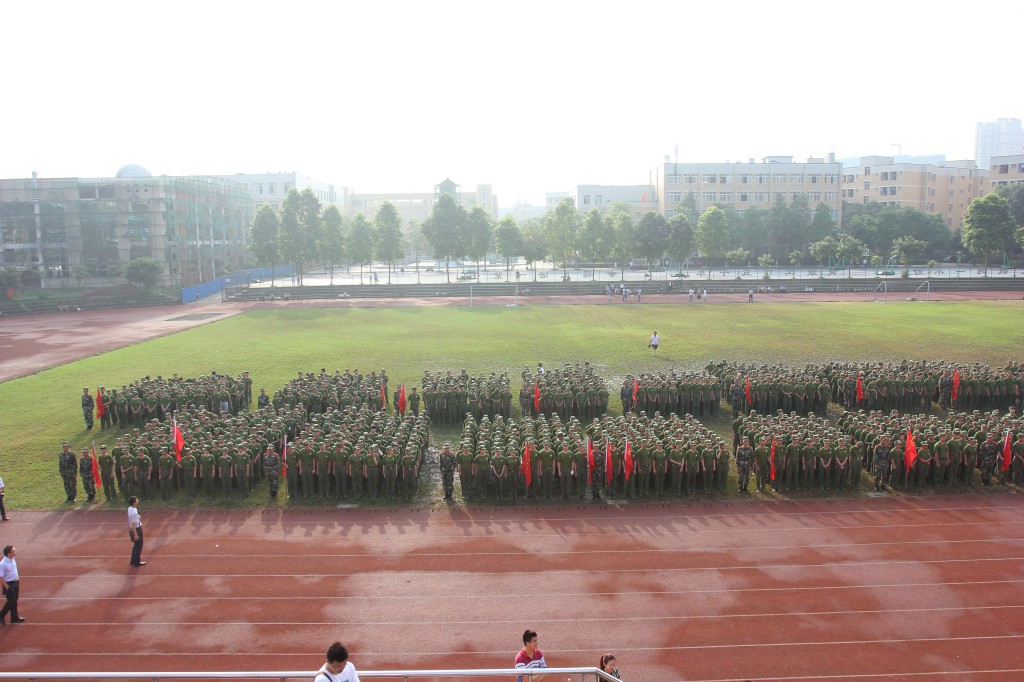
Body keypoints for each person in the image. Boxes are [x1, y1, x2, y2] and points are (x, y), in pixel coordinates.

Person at [0, 545, 24, 625]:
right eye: (13, 551)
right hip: (9, 584)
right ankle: (1, 615)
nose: (15, 552)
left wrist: (17, 579)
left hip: (15, 582)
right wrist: (7, 587)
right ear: (9, 553)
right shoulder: (3, 564)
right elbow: (1, 577)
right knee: (11, 601)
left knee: (14, 600)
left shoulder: (12, 559)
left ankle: (14, 617)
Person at [127, 496, 145, 567]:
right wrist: (135, 534)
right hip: (137, 530)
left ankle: (133, 560)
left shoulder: (130, 508)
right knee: (138, 546)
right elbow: (134, 524)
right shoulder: (134, 512)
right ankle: (137, 562)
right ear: (134, 502)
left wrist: (138, 516)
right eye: (136, 500)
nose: (137, 500)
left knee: (135, 546)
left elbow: (131, 519)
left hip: (132, 529)